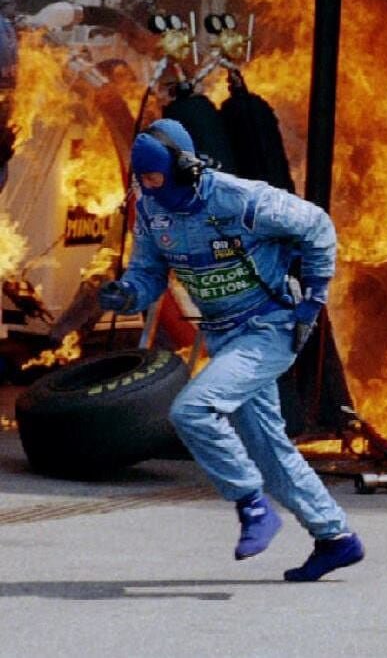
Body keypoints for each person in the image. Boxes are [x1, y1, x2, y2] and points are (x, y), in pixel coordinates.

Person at [96, 119, 364, 582]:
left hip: (270, 327)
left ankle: (253, 507)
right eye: (143, 179)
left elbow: (317, 225)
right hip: (225, 336)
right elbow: (148, 272)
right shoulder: (150, 208)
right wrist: (127, 293)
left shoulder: (240, 199)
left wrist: (314, 297)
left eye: (156, 176)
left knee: (193, 410)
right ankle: (336, 538)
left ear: (183, 166)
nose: (149, 186)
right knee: (268, 448)